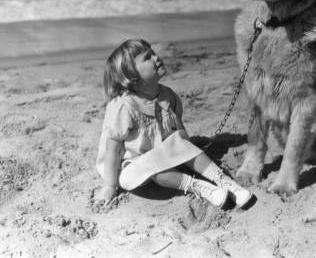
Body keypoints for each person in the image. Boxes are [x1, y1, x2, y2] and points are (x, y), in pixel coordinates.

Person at [92, 39, 252, 210]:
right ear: (132, 77)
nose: (156, 57)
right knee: (134, 174)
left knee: (182, 144)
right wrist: (109, 186)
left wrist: (187, 151)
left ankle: (224, 181)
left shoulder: (167, 96)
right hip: (131, 162)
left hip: (163, 151)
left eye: (153, 52)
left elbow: (178, 131)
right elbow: (112, 151)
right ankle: (198, 186)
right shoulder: (123, 107)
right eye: (147, 57)